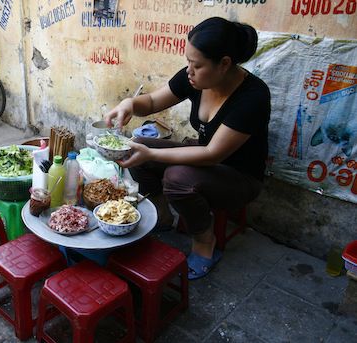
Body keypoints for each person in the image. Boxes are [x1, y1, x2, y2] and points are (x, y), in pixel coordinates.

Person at [104, 17, 271, 280]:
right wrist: (129, 104)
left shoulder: (253, 97)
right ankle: (161, 217)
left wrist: (153, 154)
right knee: (137, 147)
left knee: (177, 177)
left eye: (197, 65)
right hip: (205, 161)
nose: (189, 71)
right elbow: (151, 102)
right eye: (188, 62)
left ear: (224, 64)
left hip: (239, 177)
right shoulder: (195, 78)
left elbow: (212, 154)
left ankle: (205, 243)